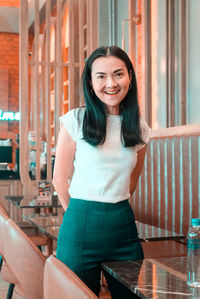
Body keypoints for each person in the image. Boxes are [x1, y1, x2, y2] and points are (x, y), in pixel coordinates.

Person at [53, 45, 151, 298]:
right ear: (90, 80)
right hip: (81, 223)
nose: (111, 83)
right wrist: (77, 216)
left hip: (123, 226)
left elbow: (131, 183)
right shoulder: (75, 120)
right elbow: (59, 179)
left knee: (131, 295)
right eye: (101, 76)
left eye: (118, 74)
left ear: (129, 76)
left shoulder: (139, 128)